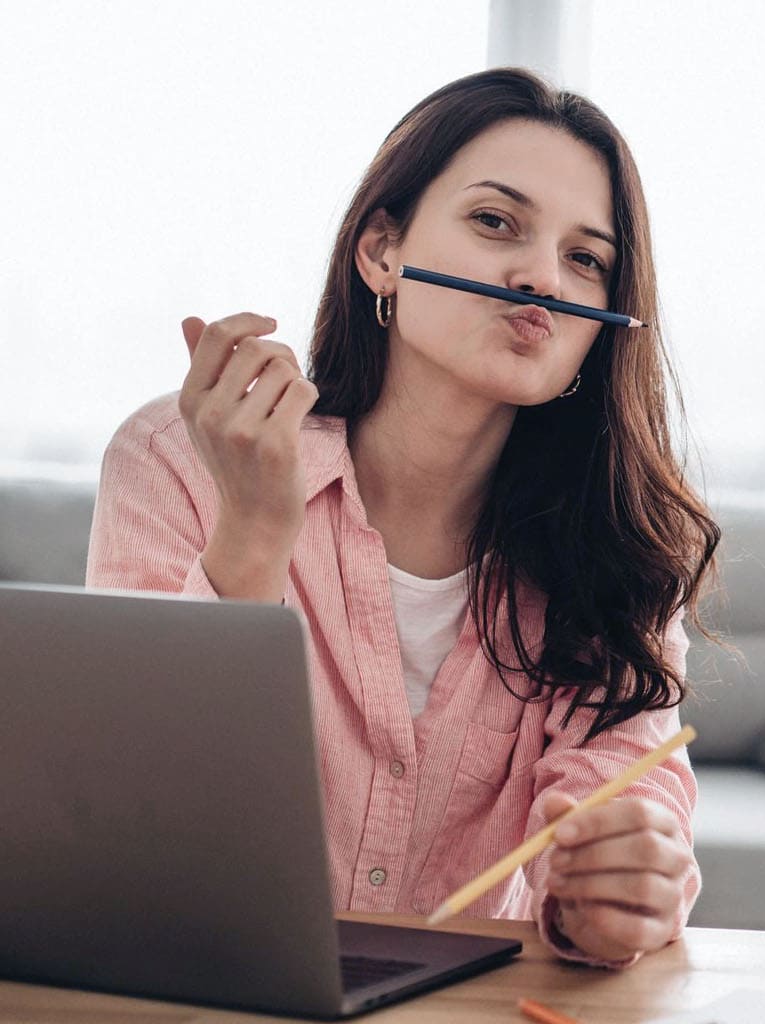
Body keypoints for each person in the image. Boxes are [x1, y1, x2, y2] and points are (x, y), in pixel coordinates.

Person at [86, 67, 719, 967]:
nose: (541, 276)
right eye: (496, 222)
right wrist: (255, 537)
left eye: (587, 260)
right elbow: (123, 817)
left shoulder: (624, 554)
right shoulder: (178, 459)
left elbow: (624, 839)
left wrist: (615, 900)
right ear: (383, 251)